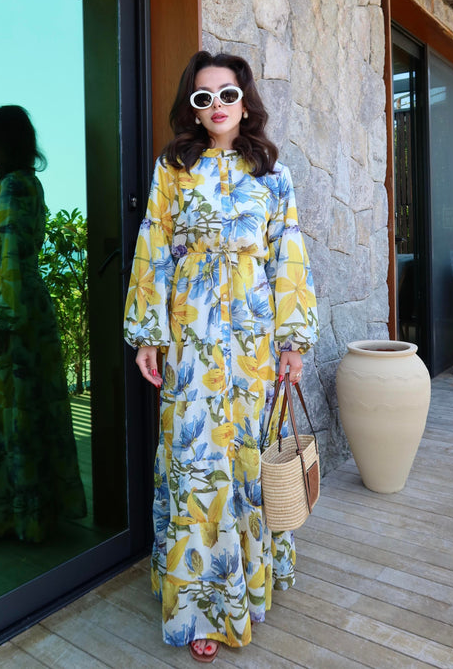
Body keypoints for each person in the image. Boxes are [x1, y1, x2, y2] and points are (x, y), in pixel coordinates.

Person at [124, 52, 318, 662]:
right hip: (192, 336)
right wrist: (148, 335)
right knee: (196, 461)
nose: (216, 106)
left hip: (254, 339)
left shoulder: (273, 174)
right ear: (192, 107)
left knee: (246, 457)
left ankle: (250, 584)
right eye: (203, 97)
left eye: (227, 94)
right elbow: (153, 248)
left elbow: (288, 257)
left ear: (244, 99)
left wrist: (293, 342)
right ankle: (203, 606)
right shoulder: (173, 168)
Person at [0, 105, 86, 544]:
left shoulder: (15, 185)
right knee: (26, 412)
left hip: (10, 313)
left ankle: (13, 519)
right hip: (23, 307)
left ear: (5, 141)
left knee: (8, 412)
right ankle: (30, 515)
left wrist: (0, 320)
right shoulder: (23, 182)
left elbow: (11, 253)